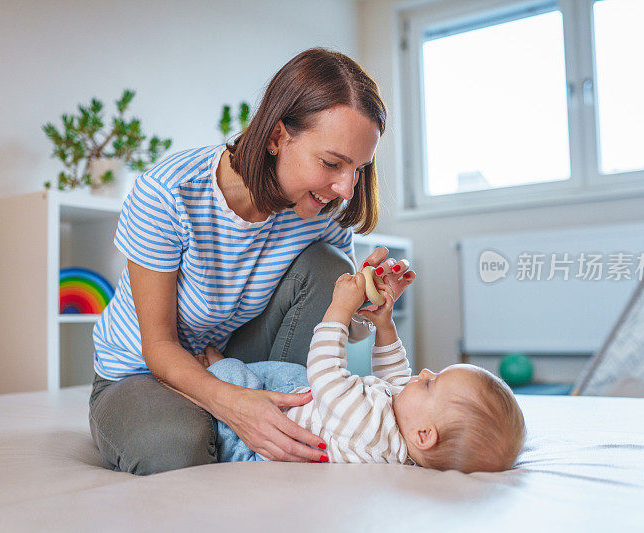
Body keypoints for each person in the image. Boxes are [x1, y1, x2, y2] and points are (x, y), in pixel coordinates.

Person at [88, 48, 418, 474]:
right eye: (332, 163)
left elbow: (340, 325)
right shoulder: (168, 194)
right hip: (142, 371)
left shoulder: (323, 208)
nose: (346, 188)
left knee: (329, 267)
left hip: (236, 361)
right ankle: (228, 427)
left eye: (359, 169)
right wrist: (235, 405)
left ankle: (274, 428)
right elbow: (159, 347)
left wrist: (368, 306)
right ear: (277, 137)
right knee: (172, 451)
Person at [200, 271, 527, 473]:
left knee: (236, 377)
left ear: (424, 436)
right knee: (290, 376)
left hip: (253, 444)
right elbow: (397, 379)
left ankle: (212, 367)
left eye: (430, 384)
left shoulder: (370, 432)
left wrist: (340, 308)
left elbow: (325, 371)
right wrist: (384, 324)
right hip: (307, 404)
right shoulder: (403, 432)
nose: (425, 372)